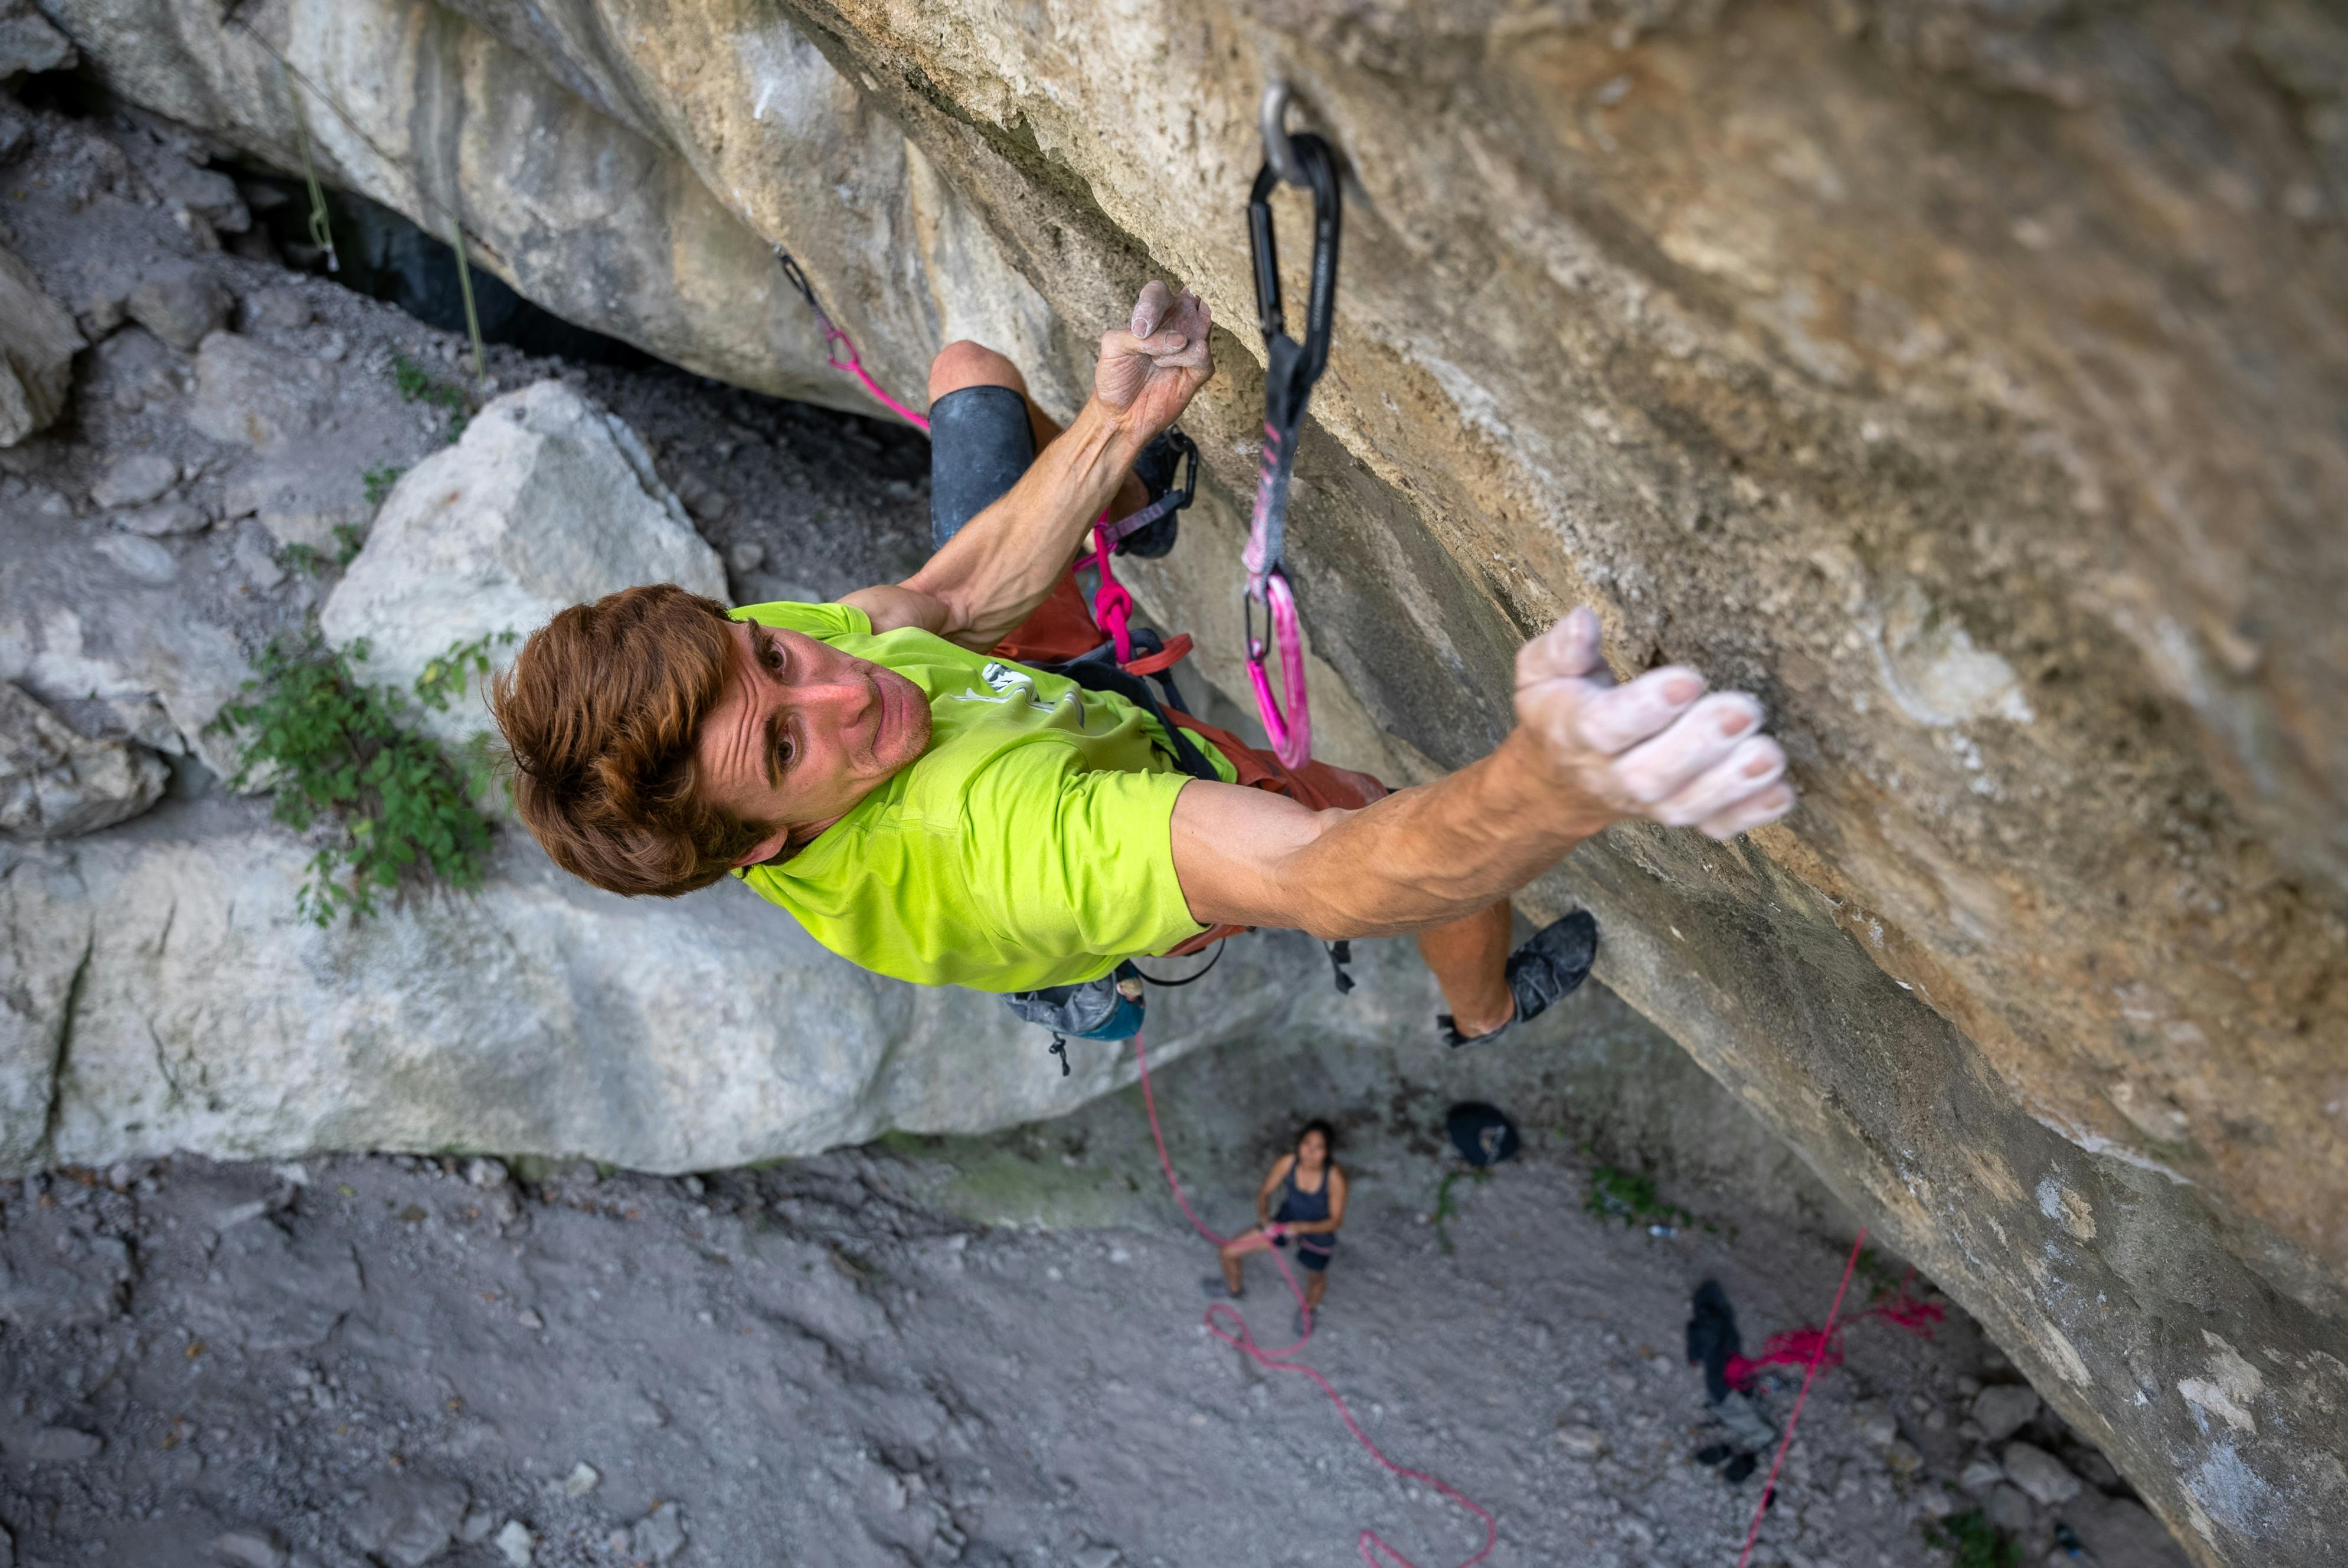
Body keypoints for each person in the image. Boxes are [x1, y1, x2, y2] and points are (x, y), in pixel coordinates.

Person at [489, 281, 1794, 1047]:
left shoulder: (762, 691)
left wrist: (1127, 414)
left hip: (1013, 710)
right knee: (1410, 854)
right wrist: (1556, 783)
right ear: (763, 846)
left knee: (970, 381)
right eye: (785, 744)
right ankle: (1487, 1016)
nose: (837, 687)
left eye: (774, 654)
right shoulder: (999, 839)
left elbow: (938, 604)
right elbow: (1319, 879)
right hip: (1040, 796)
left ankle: (1125, 500)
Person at [1210, 1121, 1348, 1323]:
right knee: (1228, 1252)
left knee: (1316, 1277)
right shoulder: (1288, 1163)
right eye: (1307, 1144)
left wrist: (1302, 1228)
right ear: (1299, 1144)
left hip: (1319, 1231)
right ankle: (1234, 1289)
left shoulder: (1335, 1177)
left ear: (1327, 1152)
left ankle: (1308, 1312)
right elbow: (1265, 1193)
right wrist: (1265, 1218)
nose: (1310, 1152)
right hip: (1285, 1221)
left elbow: (1335, 1222)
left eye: (1319, 1148)